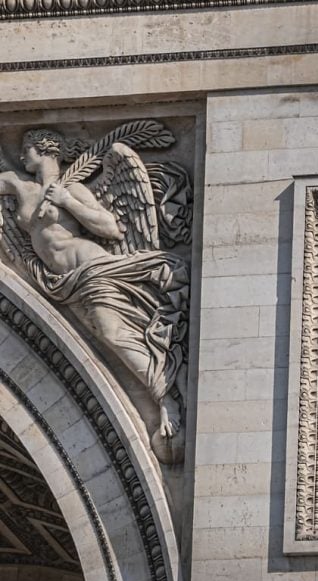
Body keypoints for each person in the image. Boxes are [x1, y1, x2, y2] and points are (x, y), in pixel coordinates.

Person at [0, 129, 189, 452]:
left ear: (47, 150)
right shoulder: (20, 186)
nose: (21, 154)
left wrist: (67, 202)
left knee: (112, 334)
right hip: (62, 283)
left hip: (93, 270)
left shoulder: (71, 187)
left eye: (28, 148)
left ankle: (166, 396)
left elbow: (111, 228)